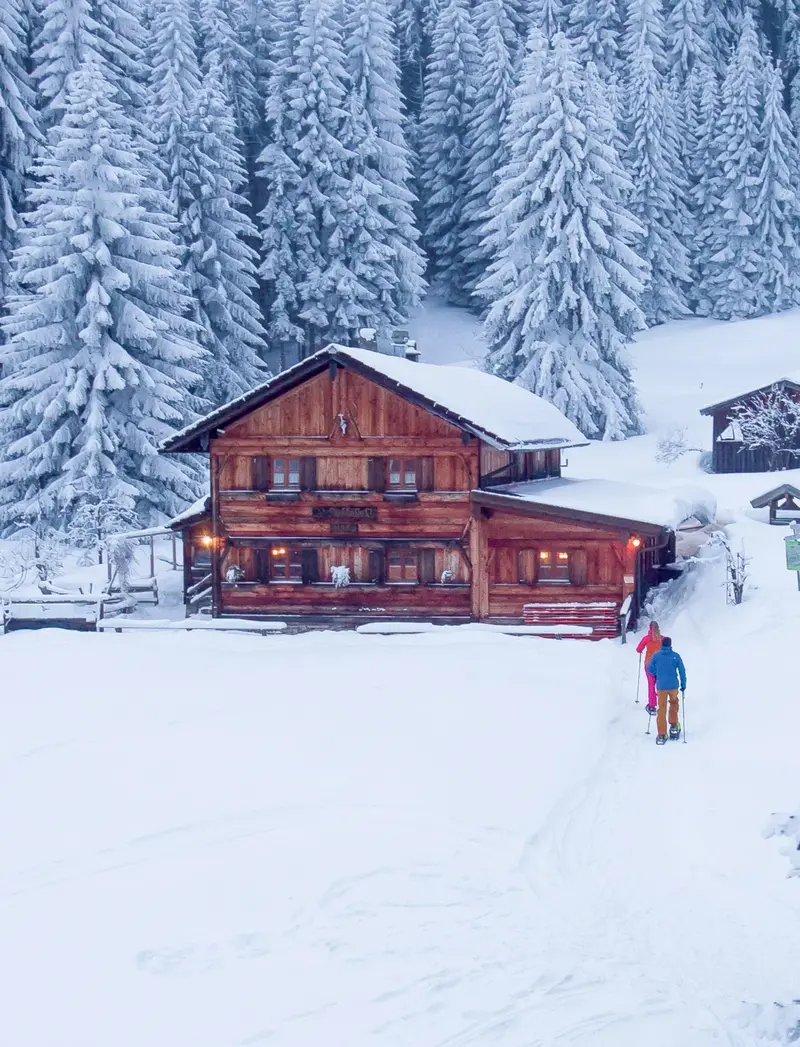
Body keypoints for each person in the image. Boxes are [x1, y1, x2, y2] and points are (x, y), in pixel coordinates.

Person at [646, 636, 687, 744]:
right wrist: (683, 684)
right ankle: (674, 726)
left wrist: (657, 674)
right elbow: (682, 671)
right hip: (673, 686)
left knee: (661, 709)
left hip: (661, 687)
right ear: (670, 645)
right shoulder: (675, 656)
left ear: (662, 644)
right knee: (674, 704)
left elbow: (649, 668)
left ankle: (662, 734)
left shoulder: (656, 656)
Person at [635, 620, 661, 714]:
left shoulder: (646, 638)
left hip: (649, 665)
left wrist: (642, 650)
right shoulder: (662, 638)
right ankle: (662, 702)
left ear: (649, 628)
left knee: (651, 685)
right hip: (660, 665)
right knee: (659, 684)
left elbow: (638, 649)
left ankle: (652, 705)